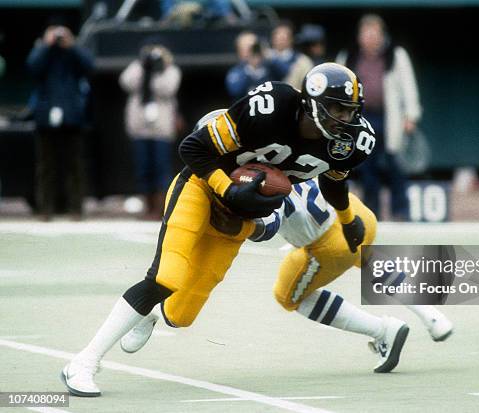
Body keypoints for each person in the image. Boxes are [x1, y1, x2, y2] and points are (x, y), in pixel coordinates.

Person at [61, 62, 380, 397]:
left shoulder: (349, 142)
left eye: (350, 111)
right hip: (201, 189)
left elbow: (332, 182)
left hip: (237, 218)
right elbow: (191, 148)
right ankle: (83, 362)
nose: (345, 119)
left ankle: (149, 314)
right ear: (312, 103)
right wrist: (226, 188)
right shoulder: (270, 107)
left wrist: (347, 219)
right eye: (337, 109)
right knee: (165, 277)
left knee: (180, 316)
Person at [117, 178, 453, 374]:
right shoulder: (295, 148)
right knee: (368, 259)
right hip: (355, 213)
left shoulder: (264, 175)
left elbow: (267, 227)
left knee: (289, 295)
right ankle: (432, 316)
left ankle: (383, 330)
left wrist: (240, 218)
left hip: (326, 243)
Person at [337, 14, 422, 220]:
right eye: (366, 34)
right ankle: (372, 213)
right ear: (359, 36)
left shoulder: (396, 54)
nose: (370, 38)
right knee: (367, 167)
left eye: (374, 33)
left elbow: (408, 86)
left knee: (396, 166)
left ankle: (400, 212)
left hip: (390, 118)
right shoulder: (348, 55)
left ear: (382, 35)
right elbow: (337, 85)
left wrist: (411, 115)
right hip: (361, 118)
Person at [27, 20, 94, 221]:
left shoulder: (72, 52)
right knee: (46, 165)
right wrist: (46, 45)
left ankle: (76, 208)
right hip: (45, 117)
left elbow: (89, 65)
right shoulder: (43, 52)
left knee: (75, 164)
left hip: (72, 116)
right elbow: (32, 67)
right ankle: (45, 208)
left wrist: (72, 45)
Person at [119, 44, 182, 220]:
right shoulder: (138, 67)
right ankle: (148, 207)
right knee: (143, 167)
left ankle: (161, 208)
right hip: (140, 128)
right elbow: (125, 82)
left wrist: (158, 69)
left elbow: (167, 88)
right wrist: (143, 66)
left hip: (161, 128)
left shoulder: (171, 69)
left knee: (161, 168)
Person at [225, 31, 274, 101]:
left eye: (254, 47)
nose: (251, 51)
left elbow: (287, 77)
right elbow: (235, 91)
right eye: (247, 47)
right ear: (239, 51)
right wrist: (250, 68)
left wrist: (271, 56)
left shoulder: (271, 67)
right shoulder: (236, 71)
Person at [268, 20, 313, 89]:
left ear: (291, 39)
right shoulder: (263, 57)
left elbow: (308, 86)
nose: (280, 40)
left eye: (284, 37)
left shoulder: (303, 61)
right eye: (277, 36)